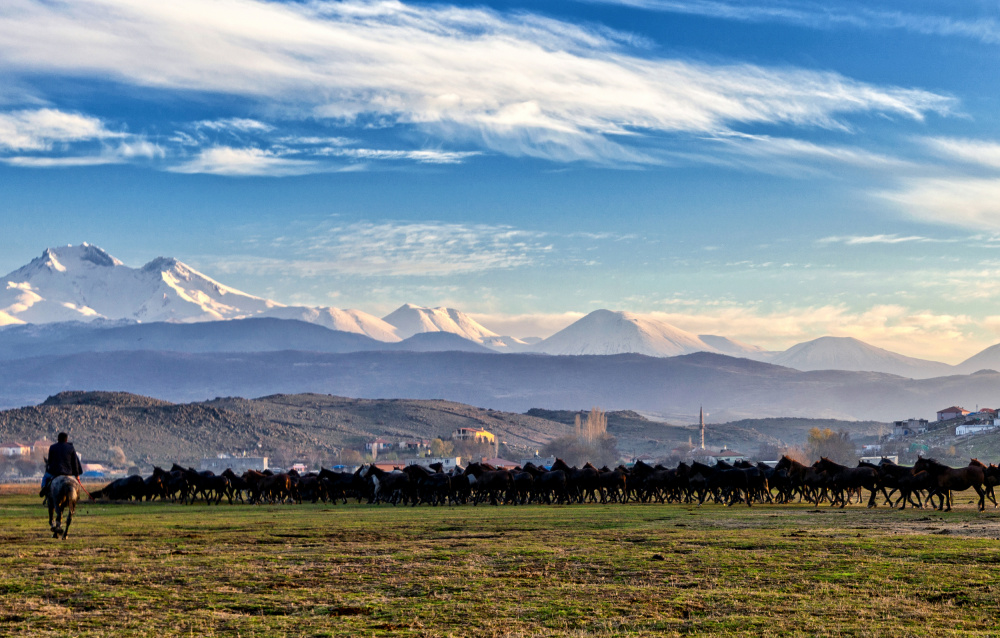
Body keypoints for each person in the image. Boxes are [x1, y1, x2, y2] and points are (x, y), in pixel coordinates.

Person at [40, 432, 83, 498]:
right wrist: (77, 475)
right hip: (68, 472)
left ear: (58, 439)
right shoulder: (71, 448)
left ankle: (44, 489)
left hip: (55, 472)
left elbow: (50, 461)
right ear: (66, 440)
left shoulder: (52, 447)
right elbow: (75, 462)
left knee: (45, 477)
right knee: (76, 485)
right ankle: (77, 495)